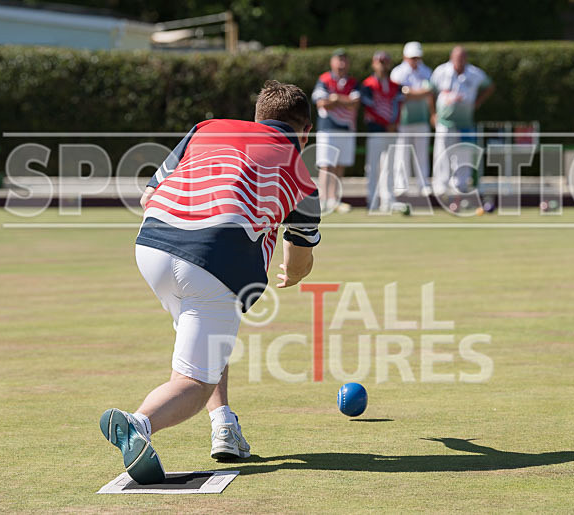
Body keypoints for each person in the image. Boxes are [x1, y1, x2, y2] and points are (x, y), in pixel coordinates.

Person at [100, 81, 321, 484]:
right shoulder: (300, 170)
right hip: (215, 260)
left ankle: (224, 426)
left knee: (204, 340)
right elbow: (300, 256)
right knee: (194, 382)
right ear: (304, 132)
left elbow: (149, 196)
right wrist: (293, 272)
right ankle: (138, 424)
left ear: (258, 118)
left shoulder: (207, 128)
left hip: (151, 246)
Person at [430, 46, 495, 197]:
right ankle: (441, 186)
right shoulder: (441, 72)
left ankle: (461, 185)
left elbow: (490, 86)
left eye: (462, 58)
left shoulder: (475, 73)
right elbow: (430, 92)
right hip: (445, 122)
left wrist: (478, 102)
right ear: (451, 58)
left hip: (466, 123)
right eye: (457, 58)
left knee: (464, 153)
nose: (460, 61)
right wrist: (433, 113)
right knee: (442, 153)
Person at [312, 48, 360, 213]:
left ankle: (335, 199)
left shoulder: (352, 82)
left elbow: (355, 103)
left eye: (344, 60)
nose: (341, 64)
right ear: (332, 62)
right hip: (328, 129)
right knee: (326, 165)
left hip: (346, 128)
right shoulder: (324, 79)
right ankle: (323, 199)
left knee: (340, 165)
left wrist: (335, 98)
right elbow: (321, 102)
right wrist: (341, 100)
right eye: (338, 60)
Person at [360, 51, 404, 211]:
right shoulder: (367, 85)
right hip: (375, 131)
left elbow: (398, 107)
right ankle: (372, 199)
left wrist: (394, 124)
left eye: (385, 62)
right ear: (374, 64)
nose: (382, 65)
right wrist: (386, 124)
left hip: (392, 131)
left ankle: (388, 200)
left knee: (390, 166)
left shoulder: (395, 85)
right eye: (379, 62)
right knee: (373, 166)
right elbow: (370, 109)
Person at [390, 41, 435, 197]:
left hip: (422, 119)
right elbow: (400, 94)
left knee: (421, 153)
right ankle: (401, 185)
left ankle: (423, 184)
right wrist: (419, 93)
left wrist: (412, 94)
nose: (415, 60)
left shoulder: (427, 71)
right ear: (405, 57)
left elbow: (429, 93)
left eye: (417, 57)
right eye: (412, 57)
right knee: (402, 153)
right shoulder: (397, 72)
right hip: (402, 120)